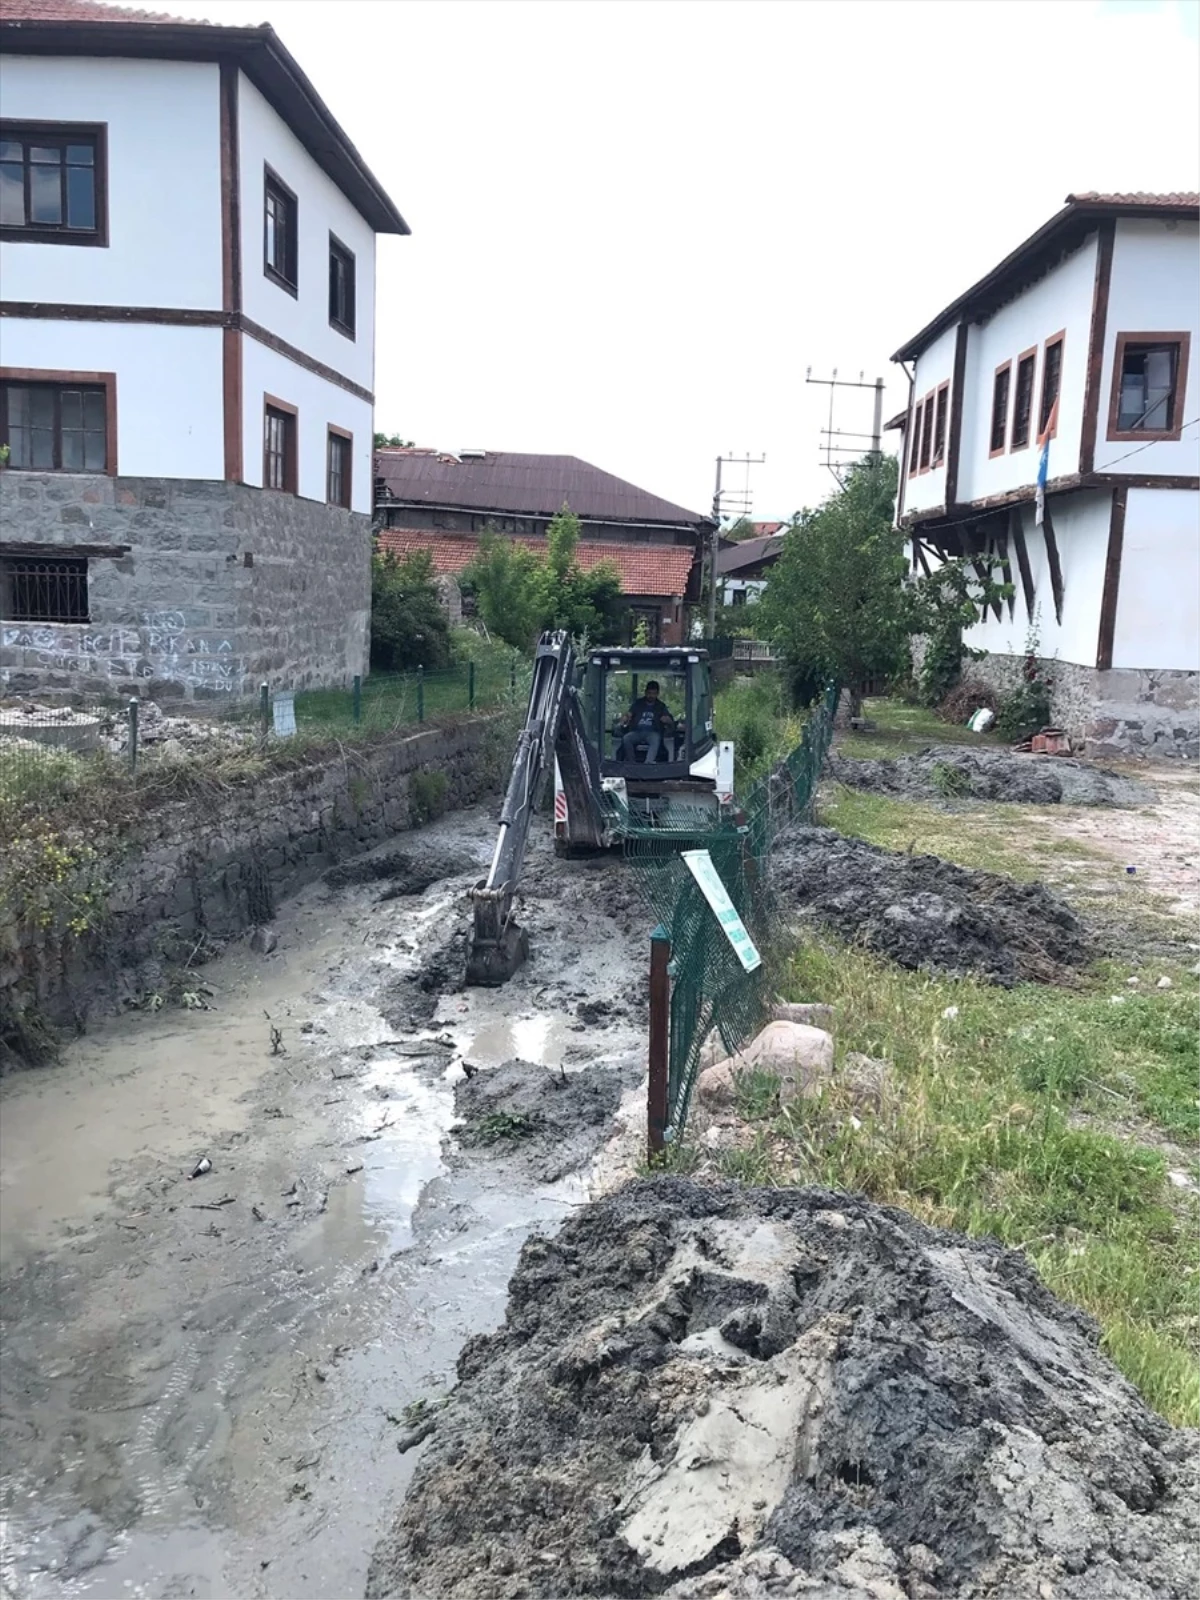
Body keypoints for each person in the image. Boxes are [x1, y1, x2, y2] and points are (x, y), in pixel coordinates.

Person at [619, 680, 675, 763]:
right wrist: (626, 718)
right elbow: (629, 714)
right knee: (626, 738)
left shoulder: (661, 706)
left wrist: (667, 720)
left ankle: (648, 763)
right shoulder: (638, 703)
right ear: (645, 692)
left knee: (656, 739)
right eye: (649, 693)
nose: (651, 696)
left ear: (657, 694)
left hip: (653, 732)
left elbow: (670, 720)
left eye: (653, 693)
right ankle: (631, 763)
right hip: (637, 731)